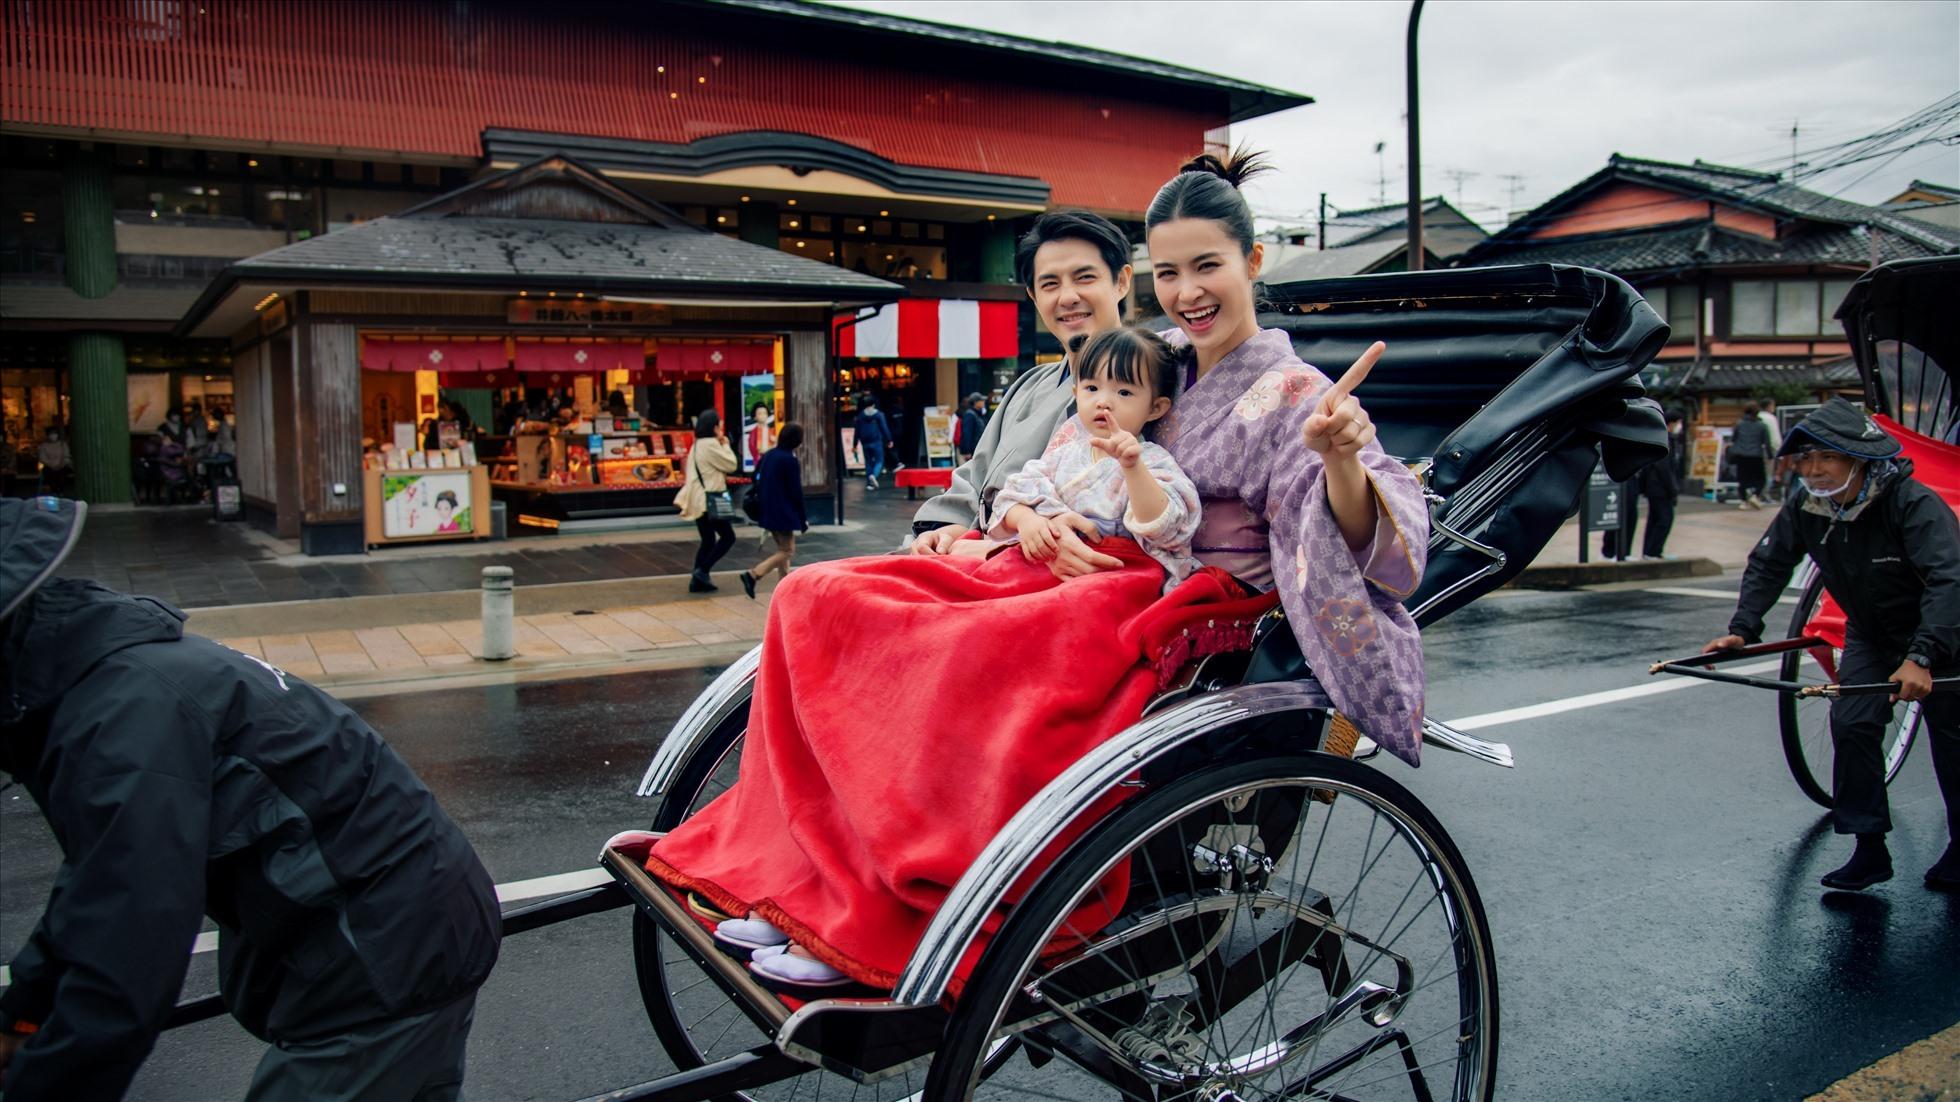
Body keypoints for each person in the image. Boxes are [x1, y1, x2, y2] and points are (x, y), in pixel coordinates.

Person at [647, 148, 1426, 994]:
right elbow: (1048, 462)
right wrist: (1030, 519)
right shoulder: (1149, 355)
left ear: (1254, 261)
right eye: (1169, 273)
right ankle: (803, 869)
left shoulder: (1298, 391)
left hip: (1174, 596)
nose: (1188, 291)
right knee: (815, 595)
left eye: (1208, 266)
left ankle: (888, 900)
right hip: (1063, 558)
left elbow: (1371, 549)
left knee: (954, 656)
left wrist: (1340, 458)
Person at [0, 497, 501, 1101]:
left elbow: (129, 942)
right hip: (397, 923)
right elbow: (96, 884)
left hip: (383, 949)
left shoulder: (121, 716)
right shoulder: (104, 681)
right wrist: (24, 1015)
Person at [1703, 399, 1959, 892]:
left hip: (1946, 630)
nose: (1813, 470)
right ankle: (1868, 847)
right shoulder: (1809, 506)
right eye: (1805, 459)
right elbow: (1770, 562)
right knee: (1852, 723)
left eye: (1827, 458)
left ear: (1859, 459)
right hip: (1871, 630)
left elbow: (1949, 581)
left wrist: (1922, 655)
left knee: (1953, 739)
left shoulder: (1912, 503)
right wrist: (1744, 627)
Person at [910, 209, 1137, 564]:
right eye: (1050, 284)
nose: (1067, 297)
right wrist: (943, 531)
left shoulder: (1152, 380)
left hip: (1058, 566)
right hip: (975, 550)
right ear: (1033, 295)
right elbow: (976, 478)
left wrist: (1004, 550)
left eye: (1084, 278)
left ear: (1121, 281)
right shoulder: (1030, 385)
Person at [989, 327, 1199, 590]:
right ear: (1076, 394)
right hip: (1054, 573)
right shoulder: (1064, 455)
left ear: (1156, 408)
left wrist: (1133, 468)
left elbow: (1165, 528)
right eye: (1092, 388)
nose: (1103, 402)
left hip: (1119, 578)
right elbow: (1011, 496)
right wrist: (1027, 521)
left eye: (1124, 392)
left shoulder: (1152, 461)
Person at [737, 422, 809, 599]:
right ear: (796, 440)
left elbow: (755, 476)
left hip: (767, 509)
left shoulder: (769, 454)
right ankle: (754, 574)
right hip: (783, 512)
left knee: (782, 550)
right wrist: (802, 519)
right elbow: (796, 492)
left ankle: (784, 589)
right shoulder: (789, 460)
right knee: (787, 551)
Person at [1602, 409, 1684, 560]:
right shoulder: (1662, 439)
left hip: (1638, 482)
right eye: (1678, 423)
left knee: (1635, 517)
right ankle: (1622, 552)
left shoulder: (1661, 438)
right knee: (1661, 519)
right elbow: (1663, 468)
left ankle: (1631, 552)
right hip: (1652, 487)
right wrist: (1672, 490)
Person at [678, 409, 739, 592]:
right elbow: (731, 464)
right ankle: (702, 571)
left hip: (698, 498)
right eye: (719, 425)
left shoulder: (697, 445)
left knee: (708, 539)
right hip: (710, 499)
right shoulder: (711, 445)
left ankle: (697, 581)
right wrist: (726, 445)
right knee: (728, 537)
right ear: (714, 427)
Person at [1729, 403, 1771, 508]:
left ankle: (1743, 501)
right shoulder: (1762, 425)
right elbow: (1766, 442)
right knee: (1761, 479)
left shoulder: (1739, 424)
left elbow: (1733, 439)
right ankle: (1755, 495)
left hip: (1741, 455)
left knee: (1742, 479)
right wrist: (1770, 455)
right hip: (1756, 455)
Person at [853, 395, 893, 490]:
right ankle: (873, 476)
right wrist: (889, 439)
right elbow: (884, 427)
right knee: (879, 461)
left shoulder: (860, 416)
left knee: (868, 462)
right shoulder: (879, 414)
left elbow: (857, 431)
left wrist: (855, 444)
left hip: (865, 442)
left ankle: (869, 484)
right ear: (874, 404)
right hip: (876, 440)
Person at [33, 427, 71, 496]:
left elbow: (66, 456)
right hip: (49, 466)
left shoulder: (63, 444)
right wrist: (52, 465)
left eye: (55, 434)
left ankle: (60, 492)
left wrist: (61, 465)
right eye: (51, 434)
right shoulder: (43, 446)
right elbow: (42, 458)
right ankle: (54, 491)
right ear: (48, 435)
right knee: (50, 474)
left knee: (62, 475)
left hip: (62, 466)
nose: (53, 436)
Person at [744, 400, 775, 468]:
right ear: (755, 417)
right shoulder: (753, 433)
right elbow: (755, 449)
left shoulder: (772, 431)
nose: (763, 416)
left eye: (765, 413)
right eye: (760, 413)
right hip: (761, 463)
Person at [956, 392, 987, 461]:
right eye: (981, 400)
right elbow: (967, 433)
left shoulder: (979, 414)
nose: (983, 402)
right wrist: (967, 451)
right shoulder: (970, 415)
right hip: (972, 451)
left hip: (978, 449)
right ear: (975, 402)